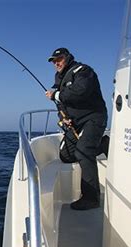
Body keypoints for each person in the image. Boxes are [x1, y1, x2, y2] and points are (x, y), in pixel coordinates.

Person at [45, 48, 109, 210]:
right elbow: (61, 106)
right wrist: (63, 119)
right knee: (66, 156)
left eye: (59, 59)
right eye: (53, 61)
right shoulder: (59, 79)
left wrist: (56, 95)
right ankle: (102, 145)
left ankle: (91, 198)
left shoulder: (83, 71)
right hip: (75, 123)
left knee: (83, 151)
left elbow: (80, 93)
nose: (56, 63)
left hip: (93, 118)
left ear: (67, 57)